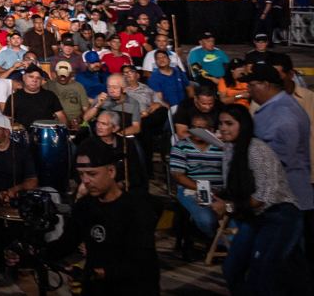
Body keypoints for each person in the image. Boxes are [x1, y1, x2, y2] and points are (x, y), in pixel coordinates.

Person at [212, 103, 304, 294]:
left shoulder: (257, 150)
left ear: (243, 125)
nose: (223, 128)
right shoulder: (230, 149)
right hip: (253, 216)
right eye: (220, 123)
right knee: (232, 269)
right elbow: (234, 186)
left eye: (229, 123)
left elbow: (263, 197)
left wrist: (228, 207)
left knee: (261, 273)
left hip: (278, 216)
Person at [71, 136, 160, 295]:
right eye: (81, 174)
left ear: (111, 171)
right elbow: (67, 241)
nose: (85, 181)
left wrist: (102, 273)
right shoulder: (84, 207)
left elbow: (141, 260)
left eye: (92, 174)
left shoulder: (137, 208)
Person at [244, 63, 313, 212]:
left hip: (287, 201)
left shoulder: (283, 114)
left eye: (251, 85)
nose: (248, 90)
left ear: (266, 85)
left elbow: (278, 160)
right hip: (278, 199)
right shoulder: (274, 108)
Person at [168, 112, 225, 249]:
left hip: (220, 190)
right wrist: (203, 189)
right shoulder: (181, 146)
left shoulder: (221, 147)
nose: (197, 131)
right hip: (192, 190)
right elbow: (178, 175)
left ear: (211, 130)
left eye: (202, 128)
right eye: (194, 127)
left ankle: (224, 245)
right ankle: (218, 243)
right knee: (207, 219)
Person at [0, 114, 37, 240]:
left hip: (18, 196)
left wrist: (13, 191)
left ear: (7, 132)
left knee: (50, 197)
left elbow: (32, 181)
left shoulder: (21, 150)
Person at [45, 61, 88, 129]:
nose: (62, 78)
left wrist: (79, 119)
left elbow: (85, 108)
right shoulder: (48, 85)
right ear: (56, 73)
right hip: (56, 122)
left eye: (65, 75)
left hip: (77, 122)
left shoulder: (78, 86)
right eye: (60, 75)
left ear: (71, 74)